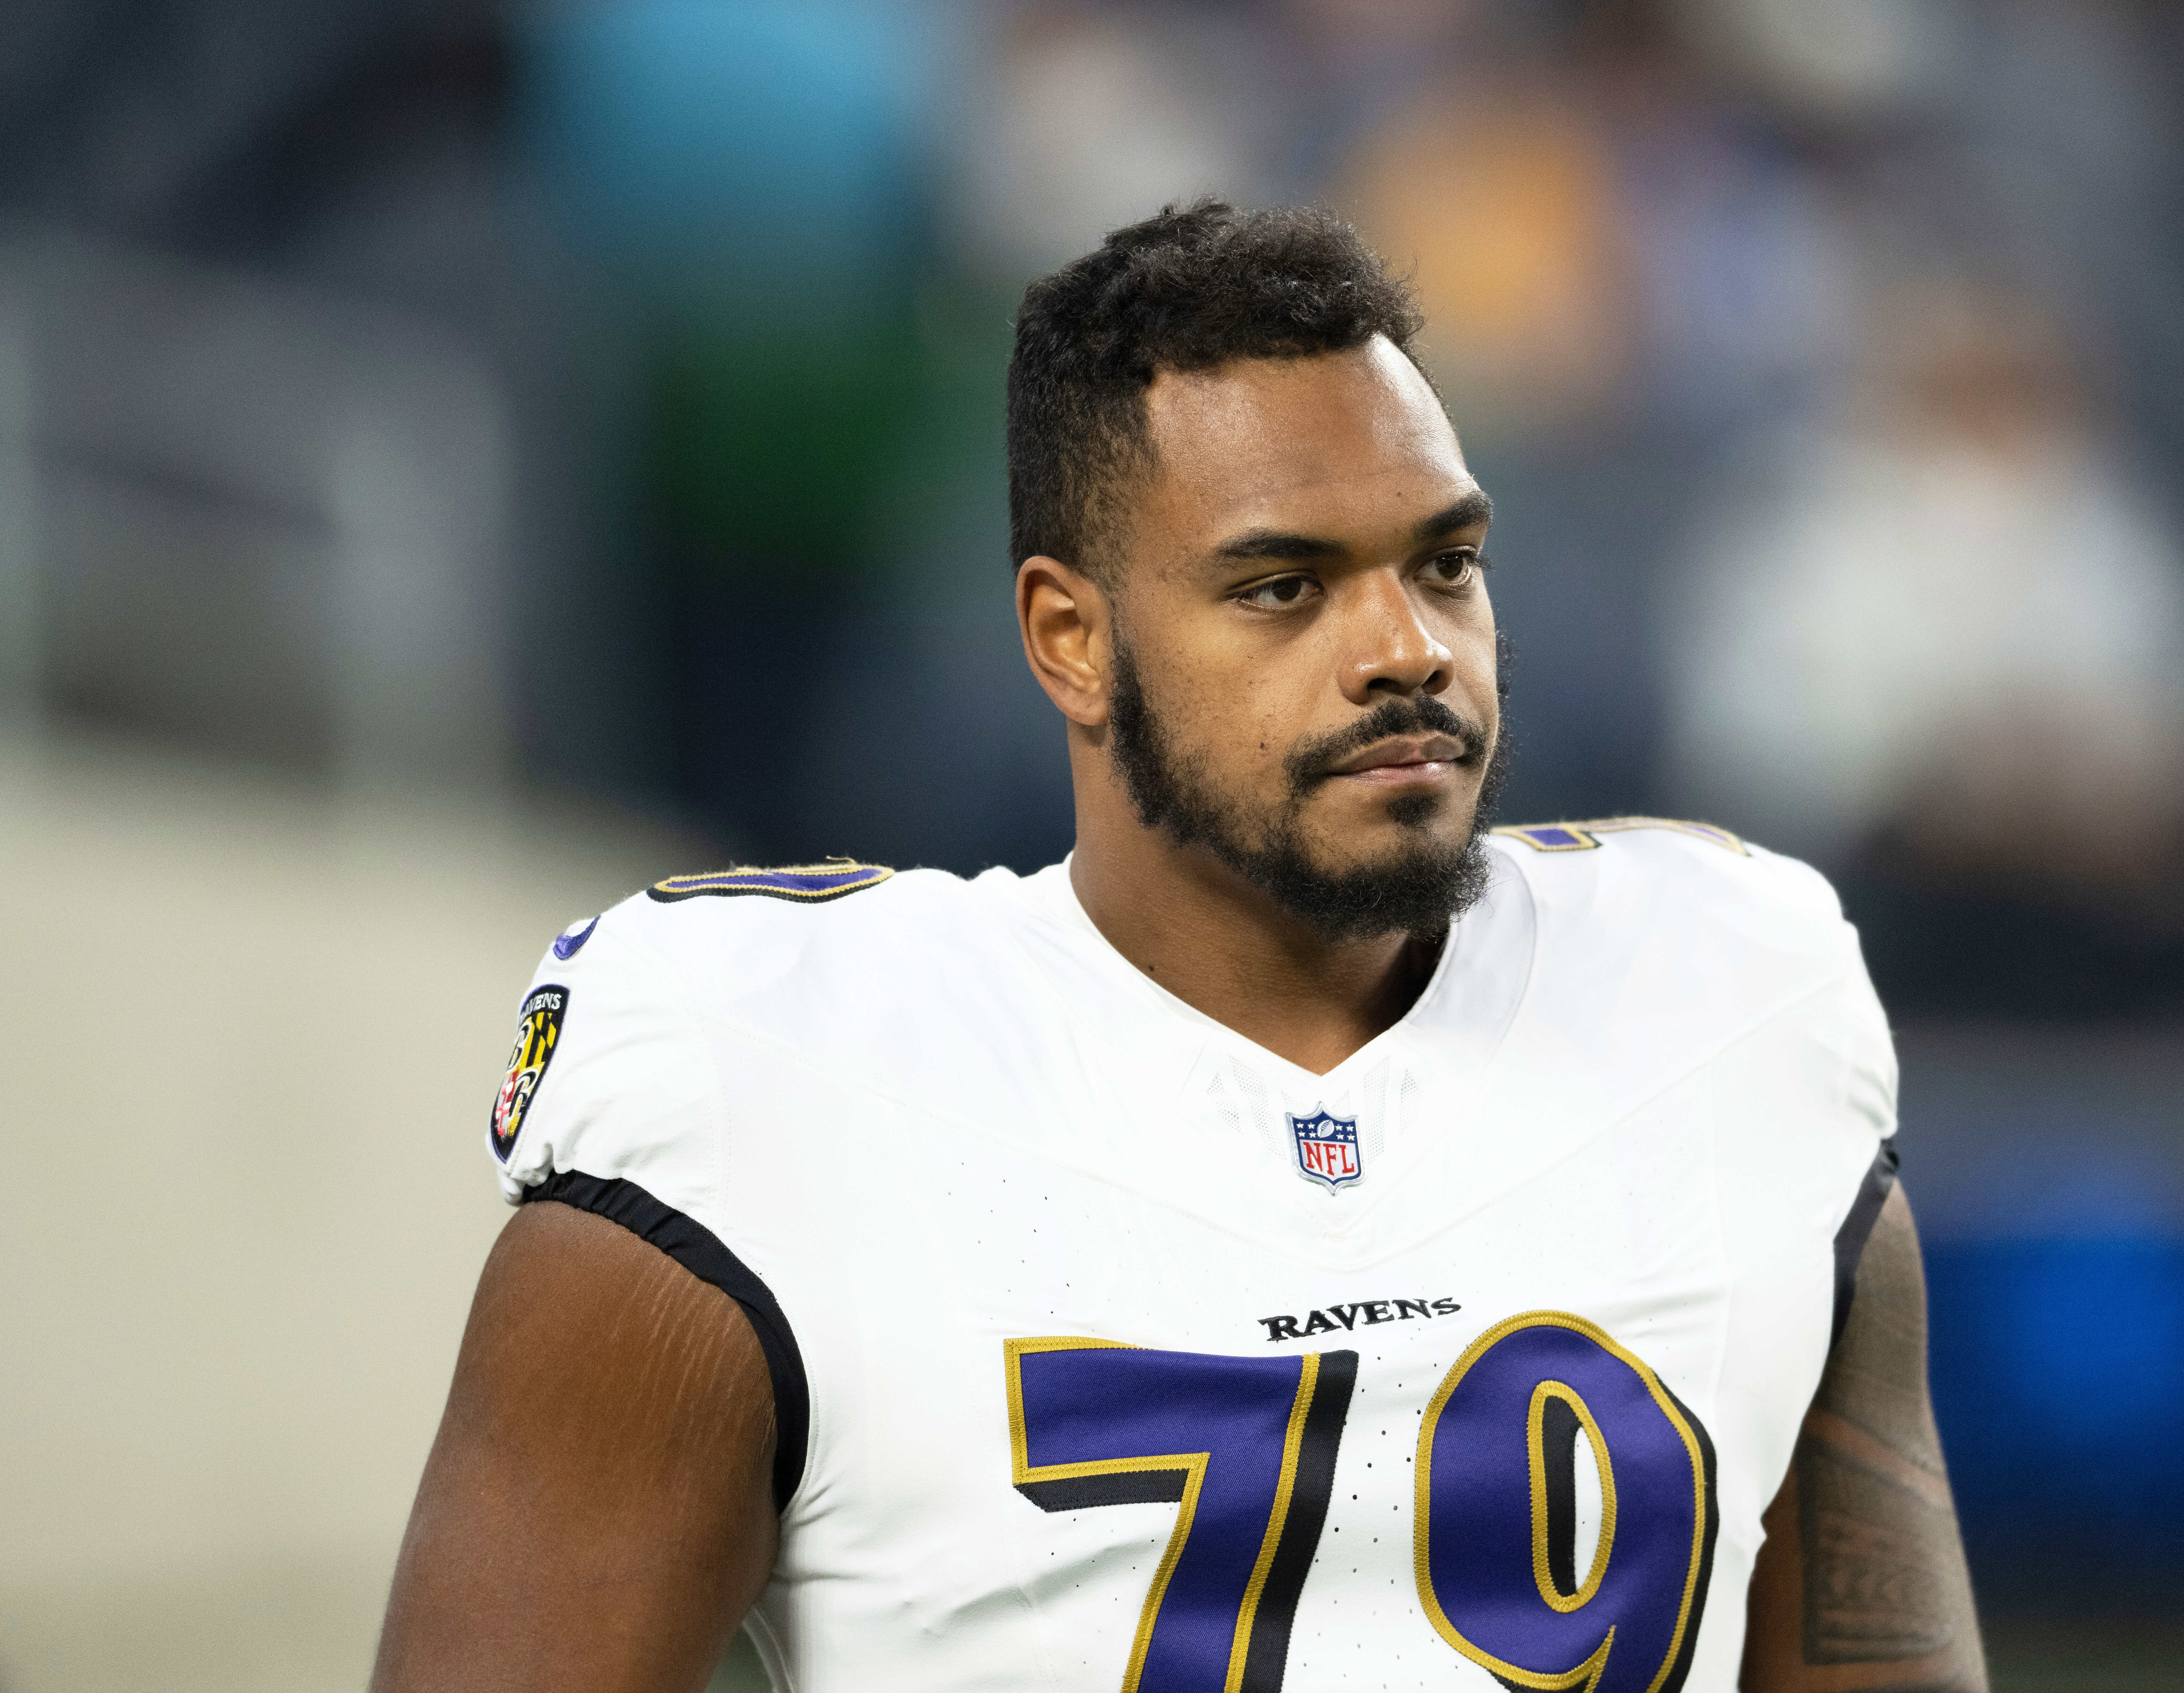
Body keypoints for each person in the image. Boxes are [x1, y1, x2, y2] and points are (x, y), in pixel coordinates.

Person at [372, 201, 1984, 1693]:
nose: (1407, 650)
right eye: (1284, 587)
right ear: (1071, 639)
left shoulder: (1729, 1001)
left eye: (1445, 564)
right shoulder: (764, 1085)